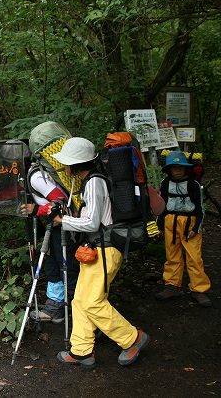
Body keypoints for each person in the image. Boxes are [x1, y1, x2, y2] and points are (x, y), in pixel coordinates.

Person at [51, 137, 150, 368]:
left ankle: (132, 338)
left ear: (76, 164)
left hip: (105, 250)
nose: (64, 166)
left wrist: (61, 220)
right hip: (96, 249)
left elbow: (92, 224)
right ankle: (81, 350)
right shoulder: (90, 181)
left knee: (93, 302)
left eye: (66, 162)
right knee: (80, 301)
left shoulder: (95, 182)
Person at [20, 122, 79, 323]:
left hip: (62, 226)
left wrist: (35, 210)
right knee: (53, 266)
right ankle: (56, 307)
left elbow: (59, 202)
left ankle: (71, 309)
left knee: (66, 266)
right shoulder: (41, 172)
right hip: (57, 226)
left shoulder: (36, 176)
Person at [155, 150, 212, 307]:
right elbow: (161, 205)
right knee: (172, 255)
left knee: (194, 257)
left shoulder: (193, 184)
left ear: (186, 168)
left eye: (180, 167)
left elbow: (200, 208)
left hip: (189, 222)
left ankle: (199, 290)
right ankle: (172, 286)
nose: (178, 170)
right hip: (170, 222)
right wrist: (160, 224)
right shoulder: (165, 183)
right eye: (174, 168)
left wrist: (197, 227)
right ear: (169, 169)